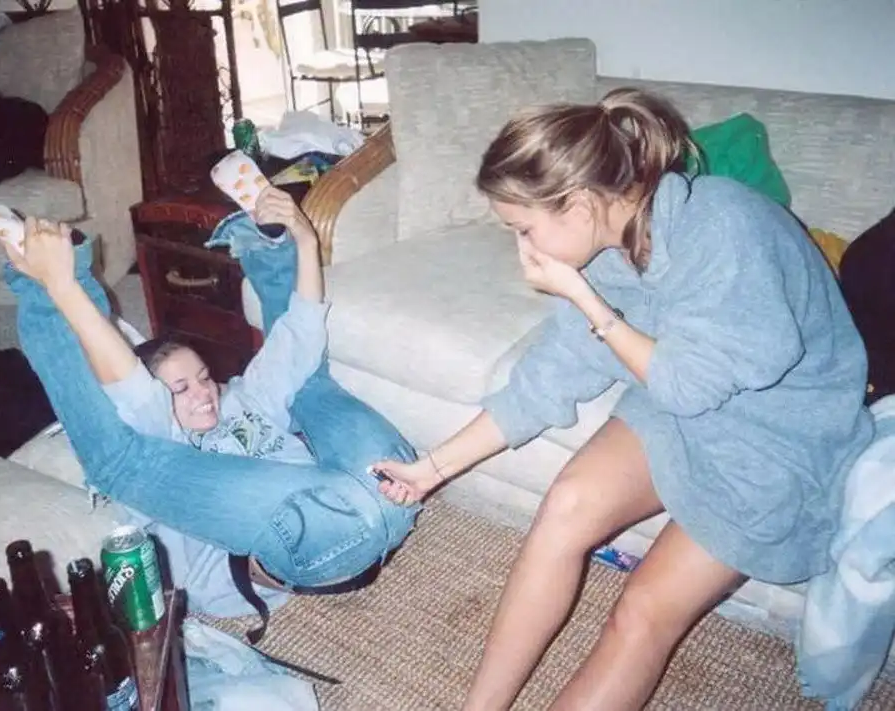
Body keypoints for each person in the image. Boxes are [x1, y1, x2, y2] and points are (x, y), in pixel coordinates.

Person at [372, 87, 874, 711]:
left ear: (581, 204)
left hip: (780, 440)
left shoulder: (724, 227)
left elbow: (688, 386)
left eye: (524, 229)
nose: (522, 251)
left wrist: (587, 303)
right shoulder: (609, 247)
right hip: (675, 395)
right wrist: (432, 468)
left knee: (639, 615)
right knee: (565, 507)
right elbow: (548, 379)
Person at [0, 186, 420, 618]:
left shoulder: (242, 400)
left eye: (203, 377)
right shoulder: (158, 437)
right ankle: (51, 284)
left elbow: (300, 334)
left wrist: (304, 240)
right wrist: (64, 287)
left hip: (386, 505)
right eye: (180, 389)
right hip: (316, 545)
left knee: (311, 382)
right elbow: (131, 387)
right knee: (334, 503)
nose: (203, 393)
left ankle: (266, 243)